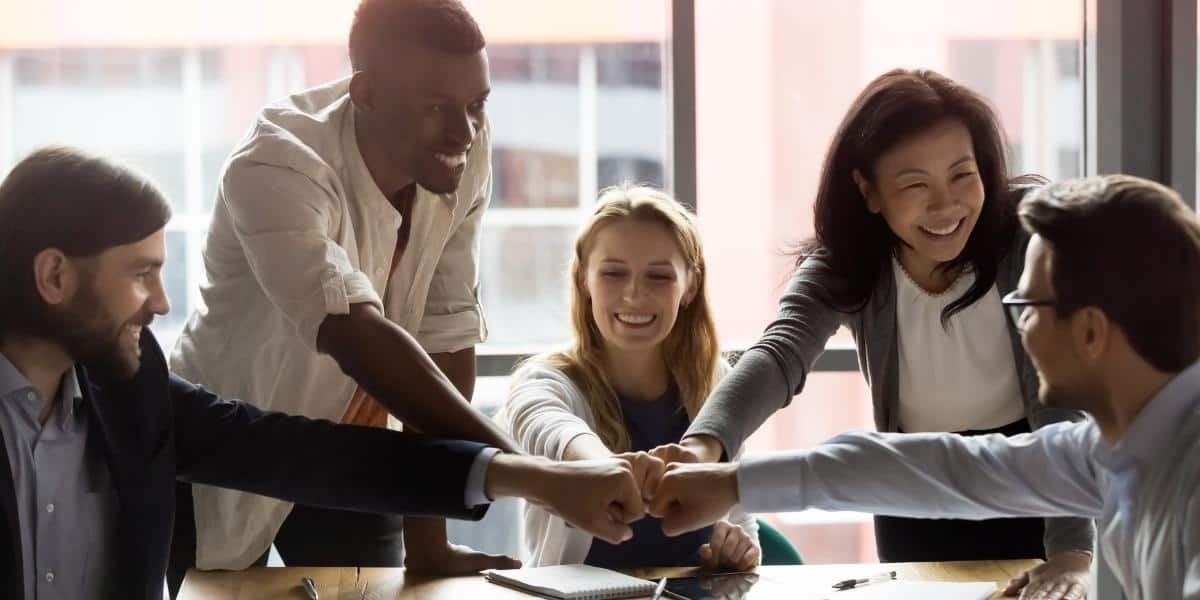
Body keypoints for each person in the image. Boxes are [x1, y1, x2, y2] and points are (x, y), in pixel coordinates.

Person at [0, 146, 653, 600]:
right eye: (140, 274)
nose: (160, 302)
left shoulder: (129, 392)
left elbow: (306, 454)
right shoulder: (280, 164)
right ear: (54, 275)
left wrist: (531, 477)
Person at [648, 174, 1200, 600]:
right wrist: (732, 482)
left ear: (1090, 332)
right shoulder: (1106, 451)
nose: (1017, 322)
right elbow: (944, 468)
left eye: (1026, 305)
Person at [651, 69, 1094, 594]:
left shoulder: (1026, 242)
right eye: (914, 185)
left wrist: (1071, 552)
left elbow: (1059, 405)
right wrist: (702, 448)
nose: (945, 205)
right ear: (869, 190)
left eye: (962, 175)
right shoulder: (848, 265)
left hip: (1030, 479)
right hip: (912, 486)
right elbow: (777, 355)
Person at [168, 0, 518, 587]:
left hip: (354, 455)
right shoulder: (278, 160)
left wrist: (429, 543)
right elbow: (355, 334)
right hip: (230, 443)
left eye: (477, 104)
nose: (466, 130)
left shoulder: (461, 147)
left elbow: (445, 330)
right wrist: (524, 470)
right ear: (367, 95)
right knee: (212, 594)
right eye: (437, 107)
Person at [497, 186, 759, 571]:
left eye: (658, 276)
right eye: (614, 273)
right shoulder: (545, 381)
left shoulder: (717, 381)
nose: (634, 294)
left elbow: (740, 522)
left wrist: (737, 552)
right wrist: (603, 467)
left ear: (691, 286)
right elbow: (544, 427)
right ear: (583, 279)